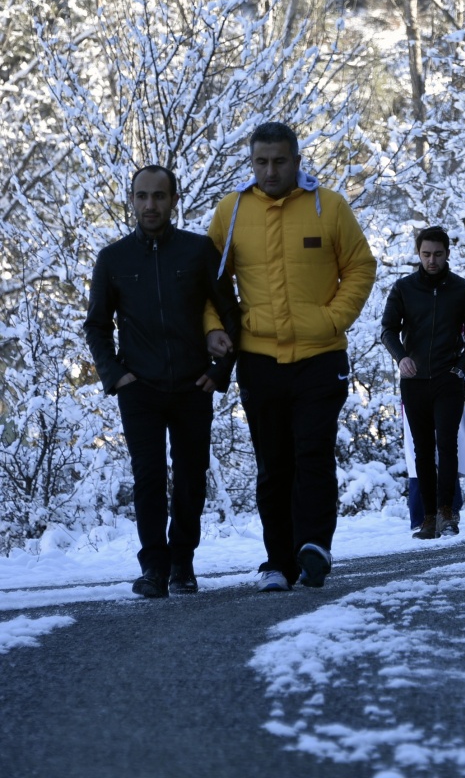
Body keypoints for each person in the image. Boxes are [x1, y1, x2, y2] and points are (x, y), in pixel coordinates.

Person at [206, 122, 376, 592]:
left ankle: (314, 547)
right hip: (258, 358)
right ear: (251, 162)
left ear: (298, 161)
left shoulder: (330, 207)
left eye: (280, 161)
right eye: (261, 161)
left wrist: (332, 319)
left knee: (313, 452)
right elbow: (210, 283)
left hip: (321, 357)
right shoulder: (232, 211)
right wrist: (214, 328)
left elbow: (361, 267)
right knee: (273, 462)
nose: (270, 170)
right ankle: (277, 562)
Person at [84, 165, 241, 598]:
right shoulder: (113, 259)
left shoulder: (198, 251)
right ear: (131, 200)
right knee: (148, 478)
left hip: (194, 386)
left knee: (192, 478)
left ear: (174, 199)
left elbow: (231, 312)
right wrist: (117, 376)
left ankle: (183, 564)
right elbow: (96, 326)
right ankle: (153, 567)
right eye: (141, 196)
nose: (149, 204)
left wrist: (219, 372)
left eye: (158, 196)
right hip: (141, 390)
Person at [381, 227, 465, 540]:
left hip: (447, 379)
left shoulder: (462, 290)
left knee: (447, 445)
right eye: (426, 254)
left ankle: (447, 514)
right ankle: (427, 517)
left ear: (447, 253)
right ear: (418, 253)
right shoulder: (404, 288)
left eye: (438, 254)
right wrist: (401, 357)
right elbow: (387, 330)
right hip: (414, 380)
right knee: (423, 450)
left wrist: (460, 368)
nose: (432, 260)